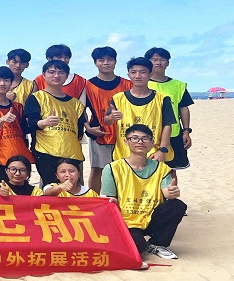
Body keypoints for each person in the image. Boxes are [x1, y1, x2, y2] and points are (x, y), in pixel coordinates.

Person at [102, 125, 185, 261]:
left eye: (145, 138)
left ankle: (157, 244)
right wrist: (112, 201)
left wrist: (172, 192)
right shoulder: (112, 168)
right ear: (126, 141)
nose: (140, 142)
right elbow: (109, 198)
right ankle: (139, 241)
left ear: (152, 143)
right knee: (137, 246)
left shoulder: (162, 168)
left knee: (177, 205)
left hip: (152, 217)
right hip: (127, 221)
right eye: (134, 138)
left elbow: (167, 192)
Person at [24, 60, 87, 185]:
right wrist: (44, 122)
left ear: (67, 76)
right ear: (44, 75)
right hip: (46, 151)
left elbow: (80, 130)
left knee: (72, 188)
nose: (56, 76)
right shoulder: (36, 97)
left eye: (61, 73)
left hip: (72, 153)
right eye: (51, 72)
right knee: (52, 188)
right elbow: (31, 123)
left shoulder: (75, 103)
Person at [83, 47, 133, 193]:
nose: (106, 63)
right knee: (98, 169)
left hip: (125, 133)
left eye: (110, 59)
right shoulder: (88, 85)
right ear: (95, 63)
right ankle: (94, 199)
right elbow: (80, 109)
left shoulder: (127, 84)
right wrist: (88, 128)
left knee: (125, 168)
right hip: (100, 133)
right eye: (101, 60)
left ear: (115, 62)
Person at [106, 58, 174, 163]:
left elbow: (167, 125)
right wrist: (111, 117)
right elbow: (107, 121)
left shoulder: (162, 99)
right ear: (128, 75)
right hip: (124, 154)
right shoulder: (118, 98)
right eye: (133, 72)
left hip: (153, 154)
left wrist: (162, 150)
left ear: (150, 74)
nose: (137, 76)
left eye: (142, 72)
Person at [146, 47, 194, 177]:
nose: (158, 62)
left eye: (162, 59)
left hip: (174, 132)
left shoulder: (178, 85)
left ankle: (171, 191)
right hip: (148, 133)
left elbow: (183, 108)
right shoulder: (141, 83)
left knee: (171, 170)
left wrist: (186, 131)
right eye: (154, 59)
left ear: (168, 63)